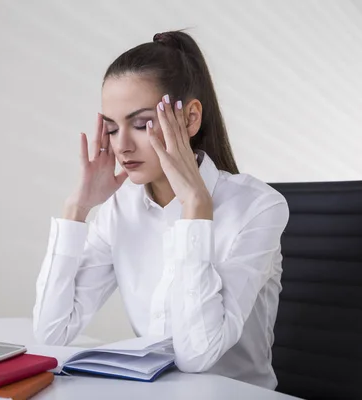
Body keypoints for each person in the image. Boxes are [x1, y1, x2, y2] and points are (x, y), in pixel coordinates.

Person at [32, 30, 289, 390]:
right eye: (111, 128)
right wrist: (78, 208)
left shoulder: (258, 208)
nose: (121, 146)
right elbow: (51, 331)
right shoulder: (121, 208)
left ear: (190, 118)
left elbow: (197, 355)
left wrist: (196, 207)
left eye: (140, 124)